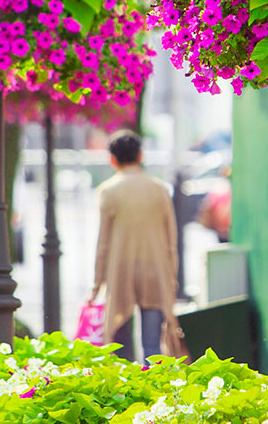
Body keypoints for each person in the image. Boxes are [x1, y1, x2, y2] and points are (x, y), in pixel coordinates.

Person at [88, 131, 181, 362]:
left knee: (118, 349)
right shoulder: (159, 190)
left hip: (121, 274)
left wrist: (97, 283)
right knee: (152, 346)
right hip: (155, 273)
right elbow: (171, 239)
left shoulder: (108, 192)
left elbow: (103, 244)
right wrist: (172, 275)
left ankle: (125, 394)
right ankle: (156, 394)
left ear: (112, 159)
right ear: (140, 155)